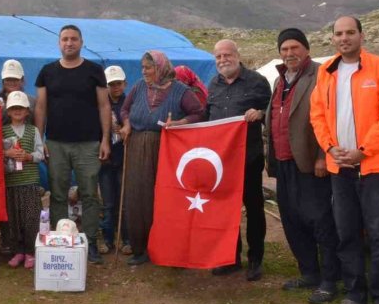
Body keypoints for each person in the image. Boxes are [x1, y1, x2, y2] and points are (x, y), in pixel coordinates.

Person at [309, 16, 379, 304]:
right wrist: (330, 147)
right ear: (333, 38)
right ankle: (355, 297)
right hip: (340, 167)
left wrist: (364, 150)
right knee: (346, 233)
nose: (344, 38)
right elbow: (318, 115)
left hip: (373, 166)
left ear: (361, 35)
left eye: (350, 32)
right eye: (338, 33)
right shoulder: (327, 71)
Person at [263, 28, 339, 304]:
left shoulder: (320, 75)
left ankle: (330, 280)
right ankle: (309, 273)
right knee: (293, 221)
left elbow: (329, 117)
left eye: (294, 48)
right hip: (283, 162)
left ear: (306, 49)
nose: (289, 53)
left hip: (309, 161)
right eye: (284, 49)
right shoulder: (279, 80)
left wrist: (322, 155)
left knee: (320, 221)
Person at [34, 25, 111, 264]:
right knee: (57, 194)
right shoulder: (47, 71)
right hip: (56, 143)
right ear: (59, 43)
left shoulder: (95, 70)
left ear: (81, 42)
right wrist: (40, 139)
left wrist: (106, 139)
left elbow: (104, 106)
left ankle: (89, 241)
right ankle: (59, 239)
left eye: (74, 39)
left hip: (88, 143)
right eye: (65, 39)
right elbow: (41, 107)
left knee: (89, 193)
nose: (69, 43)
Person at [121, 52, 205, 265]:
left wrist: (180, 122)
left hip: (166, 150)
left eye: (148, 67)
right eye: (142, 67)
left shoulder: (180, 91)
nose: (144, 71)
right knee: (136, 197)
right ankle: (140, 249)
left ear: (160, 68)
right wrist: (127, 124)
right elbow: (124, 109)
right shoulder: (139, 87)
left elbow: (198, 113)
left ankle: (165, 248)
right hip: (137, 147)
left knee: (162, 198)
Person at [206, 39, 271, 280]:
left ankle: (255, 259)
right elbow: (205, 117)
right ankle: (230, 257)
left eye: (227, 55)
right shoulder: (213, 84)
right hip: (222, 161)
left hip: (249, 158)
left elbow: (272, 112)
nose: (223, 60)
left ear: (237, 55)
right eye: (218, 57)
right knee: (226, 210)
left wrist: (261, 113)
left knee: (253, 209)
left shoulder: (257, 81)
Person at [1, 91, 45, 269]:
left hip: (29, 182)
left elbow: (40, 153)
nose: (17, 111)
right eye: (14, 108)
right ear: (8, 112)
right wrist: (7, 153)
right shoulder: (2, 131)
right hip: (10, 183)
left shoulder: (33, 130)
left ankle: (30, 252)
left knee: (30, 218)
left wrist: (28, 156)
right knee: (13, 220)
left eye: (21, 108)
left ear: (27, 111)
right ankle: (17, 251)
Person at [100, 65, 129, 254]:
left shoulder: (130, 104)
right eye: (111, 84)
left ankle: (126, 239)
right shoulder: (101, 104)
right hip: (105, 160)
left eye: (118, 83)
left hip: (124, 157)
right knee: (108, 202)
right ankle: (108, 238)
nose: (115, 87)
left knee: (124, 201)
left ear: (124, 83)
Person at [0, 59, 36, 125]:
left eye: (15, 79)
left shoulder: (32, 102)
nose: (12, 82)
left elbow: (36, 127)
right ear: (3, 81)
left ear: (23, 80)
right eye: (8, 79)